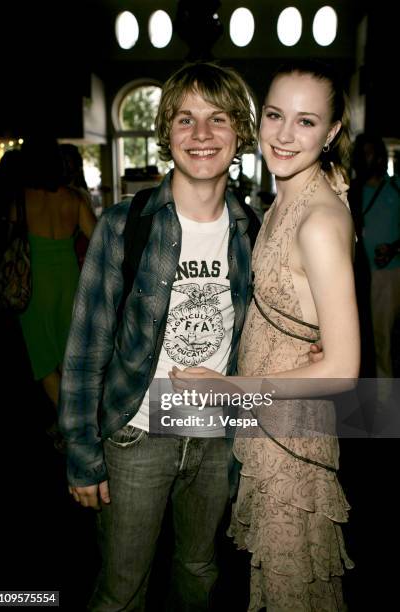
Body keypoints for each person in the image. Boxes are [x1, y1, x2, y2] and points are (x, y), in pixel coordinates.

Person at [58, 61, 259, 611]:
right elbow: (84, 350)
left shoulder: (254, 232)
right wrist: (81, 453)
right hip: (137, 435)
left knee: (199, 572)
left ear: (239, 131)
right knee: (122, 590)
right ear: (166, 133)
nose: (201, 135)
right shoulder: (125, 225)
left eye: (217, 119)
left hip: (218, 440)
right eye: (185, 120)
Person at [171, 59, 360, 611]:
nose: (283, 134)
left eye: (306, 122)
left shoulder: (318, 218)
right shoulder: (285, 198)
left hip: (292, 437)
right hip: (267, 423)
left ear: (331, 133)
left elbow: (344, 371)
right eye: (276, 115)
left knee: (290, 589)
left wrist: (229, 390)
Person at [14, 136, 96, 445]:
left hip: (35, 287)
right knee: (68, 357)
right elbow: (97, 237)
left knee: (44, 360)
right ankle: (77, 421)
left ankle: (69, 428)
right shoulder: (73, 198)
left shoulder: (20, 198)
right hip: (70, 282)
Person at [350, 134, 400, 405]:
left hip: (393, 272)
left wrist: (394, 247)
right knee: (378, 340)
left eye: (372, 152)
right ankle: (384, 403)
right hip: (369, 277)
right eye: (364, 153)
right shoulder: (353, 192)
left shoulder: (395, 188)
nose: (369, 158)